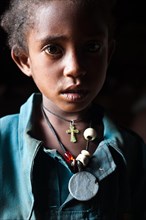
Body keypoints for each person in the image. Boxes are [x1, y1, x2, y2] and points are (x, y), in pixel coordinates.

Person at [0, 0, 145, 219]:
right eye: (53, 49)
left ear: (109, 54)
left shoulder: (132, 152)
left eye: (92, 47)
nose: (75, 68)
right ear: (24, 61)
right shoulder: (3, 141)